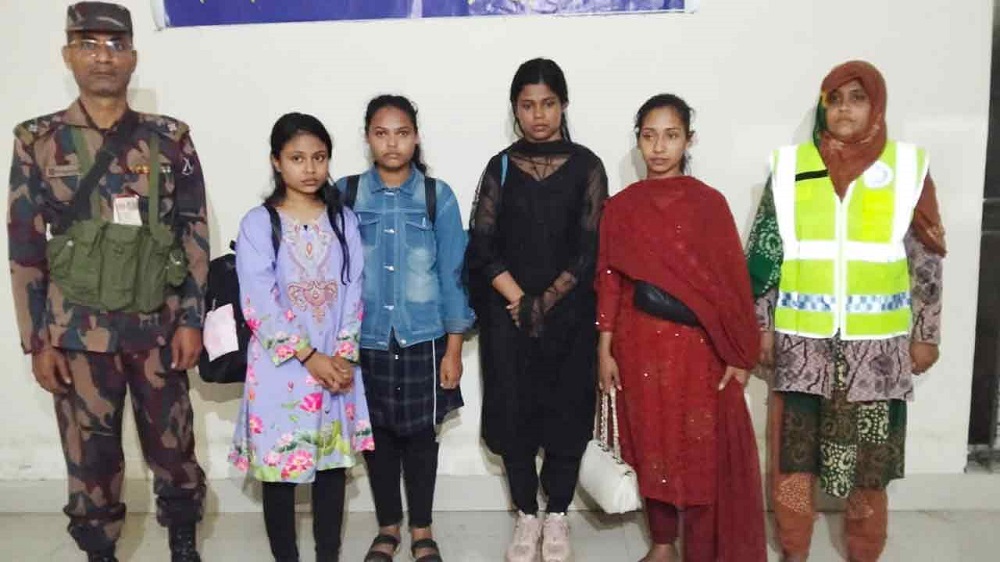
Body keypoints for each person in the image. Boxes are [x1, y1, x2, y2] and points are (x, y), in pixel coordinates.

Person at [7, 3, 208, 561]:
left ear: (133, 58)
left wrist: (191, 319)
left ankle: (183, 540)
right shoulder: (38, 140)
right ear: (68, 54)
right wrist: (37, 341)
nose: (103, 57)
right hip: (77, 333)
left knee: (173, 446)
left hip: (158, 328)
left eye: (115, 45)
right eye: (89, 44)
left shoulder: (169, 139)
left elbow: (193, 232)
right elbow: (25, 246)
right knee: (89, 458)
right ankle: (99, 550)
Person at [745, 60, 946, 562]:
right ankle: (794, 550)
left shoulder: (907, 168)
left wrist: (926, 333)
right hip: (802, 347)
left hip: (876, 355)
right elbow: (765, 255)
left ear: (876, 106)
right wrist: (762, 326)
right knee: (793, 464)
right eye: (834, 99)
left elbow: (926, 261)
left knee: (869, 467)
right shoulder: (790, 167)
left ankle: (864, 551)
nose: (844, 109)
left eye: (857, 98)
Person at [595, 94, 766, 562]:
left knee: (698, 445)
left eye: (670, 136)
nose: (659, 147)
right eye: (649, 136)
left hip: (697, 349)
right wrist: (604, 349)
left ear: (689, 140)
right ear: (638, 141)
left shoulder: (709, 205)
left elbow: (731, 283)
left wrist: (738, 353)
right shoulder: (622, 208)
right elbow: (609, 279)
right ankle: (662, 542)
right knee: (650, 440)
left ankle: (701, 548)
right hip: (638, 345)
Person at [465, 57, 608, 562]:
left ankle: (558, 514)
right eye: (528, 105)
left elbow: (590, 249)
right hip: (509, 318)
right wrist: (519, 301)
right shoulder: (500, 166)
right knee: (514, 413)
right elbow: (481, 245)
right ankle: (526, 513)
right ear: (515, 109)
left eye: (548, 104)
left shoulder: (588, 166)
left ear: (563, 105)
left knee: (568, 414)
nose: (539, 115)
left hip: (570, 318)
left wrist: (544, 302)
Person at [336, 94, 475, 562]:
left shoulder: (437, 196)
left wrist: (453, 350)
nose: (392, 143)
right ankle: (387, 528)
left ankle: (422, 529)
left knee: (420, 438)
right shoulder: (347, 194)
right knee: (376, 438)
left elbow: (453, 275)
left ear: (415, 137)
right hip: (366, 338)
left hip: (424, 337)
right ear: (368, 138)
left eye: (401, 133)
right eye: (381, 133)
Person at [228, 112, 372, 562]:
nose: (310, 168)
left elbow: (355, 289)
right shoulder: (258, 223)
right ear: (276, 161)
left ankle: (328, 554)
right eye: (297, 158)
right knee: (281, 471)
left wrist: (342, 355)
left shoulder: (343, 220)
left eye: (319, 157)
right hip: (281, 369)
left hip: (336, 366)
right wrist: (310, 356)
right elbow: (258, 300)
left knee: (331, 468)